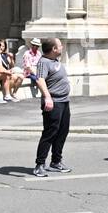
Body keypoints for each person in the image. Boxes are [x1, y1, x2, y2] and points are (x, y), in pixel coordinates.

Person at [32, 39, 73, 177]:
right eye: (60, 45)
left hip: (64, 101)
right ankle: (39, 164)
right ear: (54, 49)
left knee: (62, 131)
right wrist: (48, 98)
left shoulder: (55, 61)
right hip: (53, 102)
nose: (62, 47)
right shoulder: (44, 62)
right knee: (50, 133)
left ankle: (56, 161)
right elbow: (39, 79)